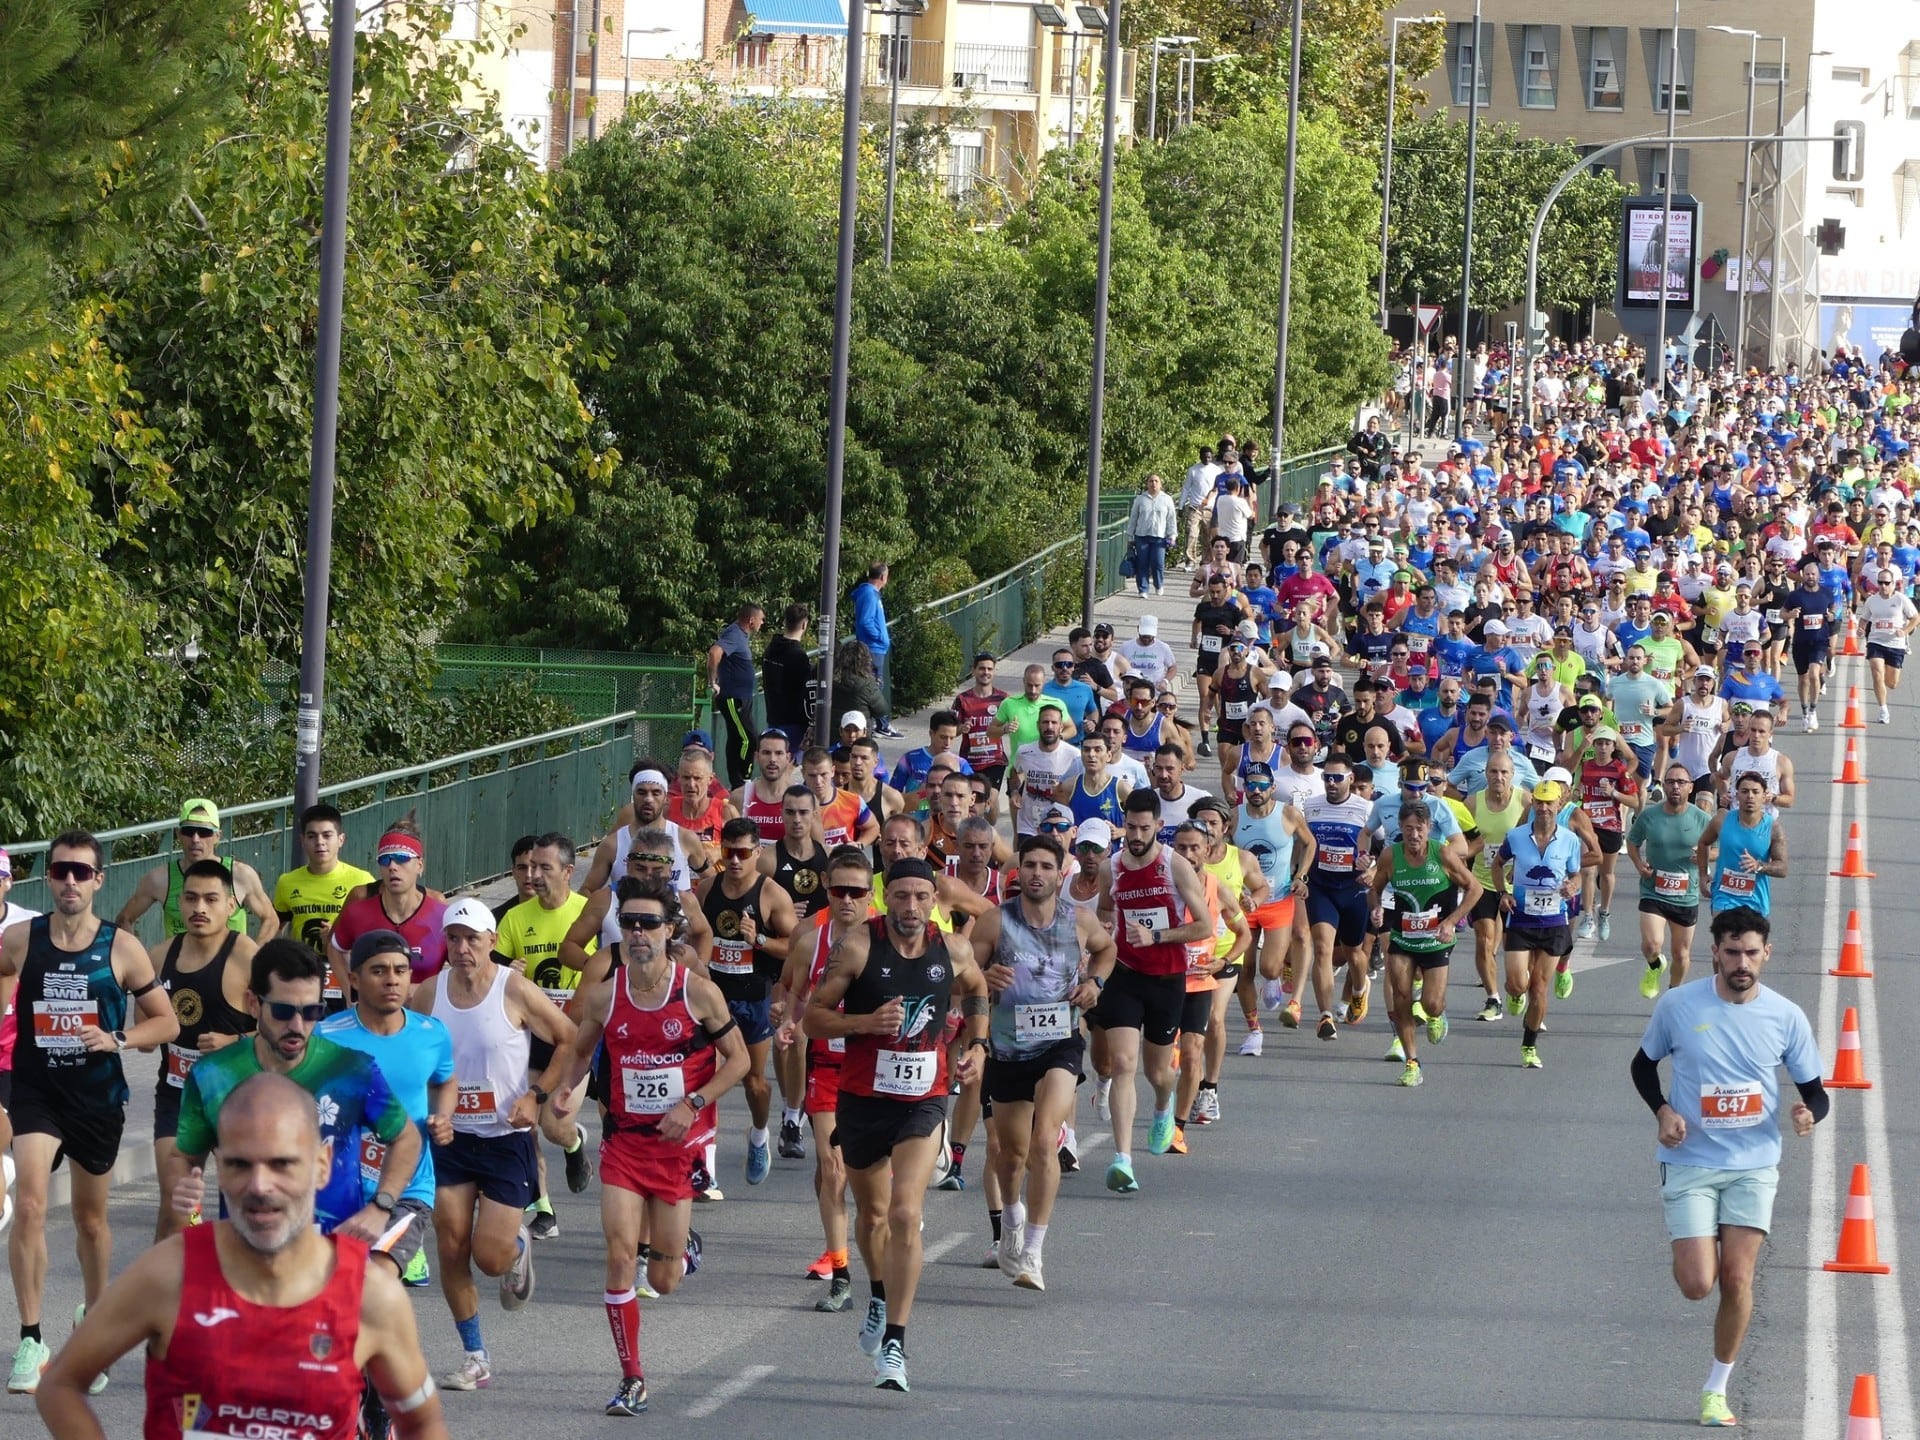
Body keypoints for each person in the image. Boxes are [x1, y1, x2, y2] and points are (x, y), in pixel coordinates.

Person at [34, 1072, 449, 1439]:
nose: (260, 1185)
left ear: (322, 1164)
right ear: (219, 1165)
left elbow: (423, 1424)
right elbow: (61, 1385)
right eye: (238, 1164)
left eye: (282, 1163)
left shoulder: (369, 1295)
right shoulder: (169, 1274)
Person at [552, 879, 749, 1415]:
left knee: (663, 1279)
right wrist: (564, 1092)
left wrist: (692, 1104)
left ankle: (684, 1249)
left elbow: (740, 1061)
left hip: (675, 1148)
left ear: (670, 931)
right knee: (619, 1259)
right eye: (629, 923)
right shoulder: (603, 993)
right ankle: (632, 1377)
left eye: (649, 923)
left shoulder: (697, 992)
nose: (637, 933)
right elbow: (580, 1050)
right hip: (623, 1144)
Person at [1629, 907, 1826, 1429]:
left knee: (1738, 1278)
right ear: (1714, 952)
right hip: (1690, 1160)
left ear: (1767, 954)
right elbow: (1643, 1065)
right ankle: (1698, 1235)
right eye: (1733, 952)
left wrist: (1808, 1114)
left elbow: (1816, 1092)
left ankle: (1715, 1390)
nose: (1743, 963)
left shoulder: (1785, 1016)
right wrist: (1664, 1111)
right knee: (1698, 1284)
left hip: (1753, 1164)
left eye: (1752, 953)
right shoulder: (1677, 1005)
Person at [2, 830, 178, 1396]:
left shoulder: (120, 947)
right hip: (35, 1093)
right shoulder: (21, 938)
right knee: (27, 1201)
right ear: (48, 877)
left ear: (100, 880)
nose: (70, 881)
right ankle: (31, 1337)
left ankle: (95, 1321)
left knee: (91, 1221)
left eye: (81, 871)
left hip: (97, 1098)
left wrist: (118, 1037)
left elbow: (166, 1022)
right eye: (60, 871)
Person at [805, 859, 991, 1392]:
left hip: (924, 1100)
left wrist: (976, 1044)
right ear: (888, 900)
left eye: (920, 897)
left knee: (907, 1212)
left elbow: (977, 988)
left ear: (935, 899)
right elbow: (813, 1017)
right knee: (873, 1215)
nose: (911, 907)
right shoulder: (859, 947)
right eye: (901, 897)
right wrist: (863, 1022)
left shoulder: (951, 948)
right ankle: (878, 1292)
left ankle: (896, 1342)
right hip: (862, 1099)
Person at [410, 899, 577, 1392]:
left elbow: (568, 1038)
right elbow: (410, 1050)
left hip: (505, 1139)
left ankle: (517, 1244)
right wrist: (427, 1110)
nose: (462, 949)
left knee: (490, 1258)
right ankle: (474, 1355)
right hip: (451, 1138)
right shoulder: (428, 993)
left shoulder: (514, 988)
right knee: (451, 1244)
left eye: (472, 939)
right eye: (454, 939)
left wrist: (536, 1094)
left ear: (490, 942)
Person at [971, 834, 1114, 1292]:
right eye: (1029, 865)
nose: (1036, 873)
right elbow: (963, 978)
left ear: (1059, 873)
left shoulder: (1079, 921)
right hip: (1008, 1047)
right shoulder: (995, 922)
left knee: (1043, 1142)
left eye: (1045, 867)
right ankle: (1012, 1217)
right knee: (1010, 1155)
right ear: (1019, 873)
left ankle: (1033, 1252)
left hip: (1060, 1042)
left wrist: (1095, 983)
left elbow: (1108, 950)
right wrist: (982, 976)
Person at [1089, 790, 1213, 1194]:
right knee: (1123, 1064)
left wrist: (1157, 935)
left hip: (1167, 978)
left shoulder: (1174, 865)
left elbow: (1204, 926)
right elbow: (1106, 908)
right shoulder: (1112, 868)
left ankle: (1164, 1105)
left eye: (1145, 827)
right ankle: (1122, 1160)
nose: (1137, 835)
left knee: (1157, 1072)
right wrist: (1107, 931)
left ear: (1159, 826)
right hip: (1124, 975)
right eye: (1130, 827)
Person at [774, 847, 875, 1310]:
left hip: (882, 1071)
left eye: (857, 892)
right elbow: (793, 993)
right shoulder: (810, 941)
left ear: (869, 894)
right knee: (832, 1172)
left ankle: (881, 1241)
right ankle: (841, 1275)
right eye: (839, 891)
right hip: (830, 1070)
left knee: (871, 1185)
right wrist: (787, 1022)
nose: (848, 900)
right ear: (827, 892)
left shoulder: (887, 938)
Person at [494, 832, 597, 1236]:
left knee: (554, 1126)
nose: (533, 876)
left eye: (544, 868)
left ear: (569, 872)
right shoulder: (516, 919)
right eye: (530, 867)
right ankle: (543, 1207)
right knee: (525, 1121)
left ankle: (573, 1146)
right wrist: (507, 976)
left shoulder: (588, 913)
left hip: (576, 1035)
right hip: (531, 1037)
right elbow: (493, 977)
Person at [149, 861, 257, 1242]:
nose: (200, 908)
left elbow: (287, 1032)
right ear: (179, 902)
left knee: (246, 1209)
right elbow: (147, 1040)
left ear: (231, 905)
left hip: (237, 1099)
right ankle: (165, 1295)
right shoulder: (159, 956)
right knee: (175, 1204)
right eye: (191, 898)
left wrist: (235, 1043)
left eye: (211, 899)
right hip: (178, 1096)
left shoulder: (248, 957)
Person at [699, 817, 797, 1187]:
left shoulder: (772, 894)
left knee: (754, 1082)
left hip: (754, 996)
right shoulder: (708, 889)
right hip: (714, 997)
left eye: (743, 853)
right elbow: (693, 933)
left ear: (758, 853)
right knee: (704, 1078)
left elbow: (794, 946)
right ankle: (703, 1162)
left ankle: (758, 1135)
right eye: (729, 852)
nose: (736, 861)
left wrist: (759, 942)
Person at [1367, 801, 1481, 1088]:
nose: (1414, 835)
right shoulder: (1391, 856)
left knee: (1431, 1003)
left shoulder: (1441, 853)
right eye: (1408, 829)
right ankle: (1412, 1063)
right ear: (1400, 830)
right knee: (1401, 996)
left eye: (1419, 829)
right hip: (1403, 938)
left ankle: (1437, 1014)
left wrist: (1451, 921)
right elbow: (1375, 889)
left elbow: (1474, 888)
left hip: (1435, 940)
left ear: (1429, 828)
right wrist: (1376, 909)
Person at [1490, 777, 1586, 1070]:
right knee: (1518, 984)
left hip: (1554, 921)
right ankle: (1515, 994)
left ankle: (1529, 1046)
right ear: (1534, 803)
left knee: (1540, 988)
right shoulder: (1517, 836)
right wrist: (1502, 894)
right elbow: (1497, 864)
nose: (1544, 808)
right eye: (1539, 802)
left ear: (1559, 804)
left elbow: (1577, 875)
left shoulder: (1570, 840)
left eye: (1550, 803)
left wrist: (1573, 886)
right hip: (1520, 918)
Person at [116, 799, 278, 941]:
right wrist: (141, 963)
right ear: (178, 834)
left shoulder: (240, 875)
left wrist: (254, 961)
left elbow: (270, 919)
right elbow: (124, 919)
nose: (195, 839)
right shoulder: (159, 879)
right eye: (188, 831)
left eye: (204, 832)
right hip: (180, 970)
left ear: (217, 836)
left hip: (228, 970)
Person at [272, 803, 373, 1010]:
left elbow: (375, 928)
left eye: (327, 835)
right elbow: (275, 924)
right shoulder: (287, 882)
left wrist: (339, 936)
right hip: (303, 971)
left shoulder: (362, 881)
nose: (320, 842)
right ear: (302, 840)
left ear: (341, 840)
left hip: (347, 969)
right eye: (312, 836)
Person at [1626, 761, 1713, 999]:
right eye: (1671, 782)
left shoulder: (1702, 819)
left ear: (1691, 788)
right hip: (1653, 890)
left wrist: (1705, 856)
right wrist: (1638, 864)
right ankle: (1654, 965)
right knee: (1652, 945)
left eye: (1681, 782)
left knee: (1681, 954)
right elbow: (1632, 842)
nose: (1676, 787)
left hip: (1686, 895)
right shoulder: (1649, 816)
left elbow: (1719, 849)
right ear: (1663, 786)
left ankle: (1673, 994)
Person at [328, 819, 449, 984]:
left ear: (420, 865)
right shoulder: (358, 911)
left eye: (401, 858)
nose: (392, 866)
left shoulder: (441, 914)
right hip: (372, 1009)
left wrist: (432, 994)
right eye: (385, 859)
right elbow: (334, 948)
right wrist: (350, 993)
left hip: (425, 1009)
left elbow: (463, 964)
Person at [1698, 773, 1787, 918]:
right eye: (1745, 791)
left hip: (1755, 902)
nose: (1750, 796)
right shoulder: (1721, 820)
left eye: (1755, 792)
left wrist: (1759, 866)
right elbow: (1703, 843)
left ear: (1764, 797)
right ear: (1737, 795)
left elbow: (1783, 868)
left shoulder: (1773, 828)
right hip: (1723, 898)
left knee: (1749, 942)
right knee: (1727, 939)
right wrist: (1702, 874)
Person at [708, 603, 765, 790]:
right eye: (761, 619)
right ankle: (743, 780)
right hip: (733, 698)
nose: (762, 623)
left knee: (736, 738)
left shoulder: (741, 635)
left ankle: (737, 781)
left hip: (742, 697)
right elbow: (714, 652)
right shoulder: (734, 634)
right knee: (748, 739)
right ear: (751, 620)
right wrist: (712, 681)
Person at [1860, 566, 1919, 722]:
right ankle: (1883, 709)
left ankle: (1885, 684)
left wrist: (1905, 631)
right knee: (1876, 673)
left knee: (1891, 683)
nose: (1883, 586)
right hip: (1876, 641)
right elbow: (1864, 618)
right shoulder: (1872, 600)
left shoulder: (1901, 599)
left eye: (1886, 583)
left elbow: (1915, 618)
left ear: (1893, 583)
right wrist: (1861, 628)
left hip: (1895, 644)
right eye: (1880, 583)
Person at [850, 563, 900, 737]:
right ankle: (882, 724)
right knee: (875, 685)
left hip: (875, 647)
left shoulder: (871, 594)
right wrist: (879, 636)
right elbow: (865, 621)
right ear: (883, 577)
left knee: (875, 684)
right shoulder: (869, 595)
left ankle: (878, 723)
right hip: (873, 647)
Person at [760, 602, 818, 751]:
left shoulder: (770, 650)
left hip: (773, 716)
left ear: (785, 621)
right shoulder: (798, 656)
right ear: (804, 625)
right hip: (793, 723)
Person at [1128, 472, 1177, 596]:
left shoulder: (1166, 499)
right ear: (1147, 484)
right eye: (1151, 481)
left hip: (1159, 537)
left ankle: (1159, 584)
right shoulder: (1140, 499)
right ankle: (1143, 589)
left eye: (1156, 481)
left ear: (1160, 484)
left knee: (1158, 562)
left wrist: (1172, 535)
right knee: (1142, 563)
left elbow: (1171, 518)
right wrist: (1130, 534)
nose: (1153, 484)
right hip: (1142, 535)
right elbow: (1133, 517)